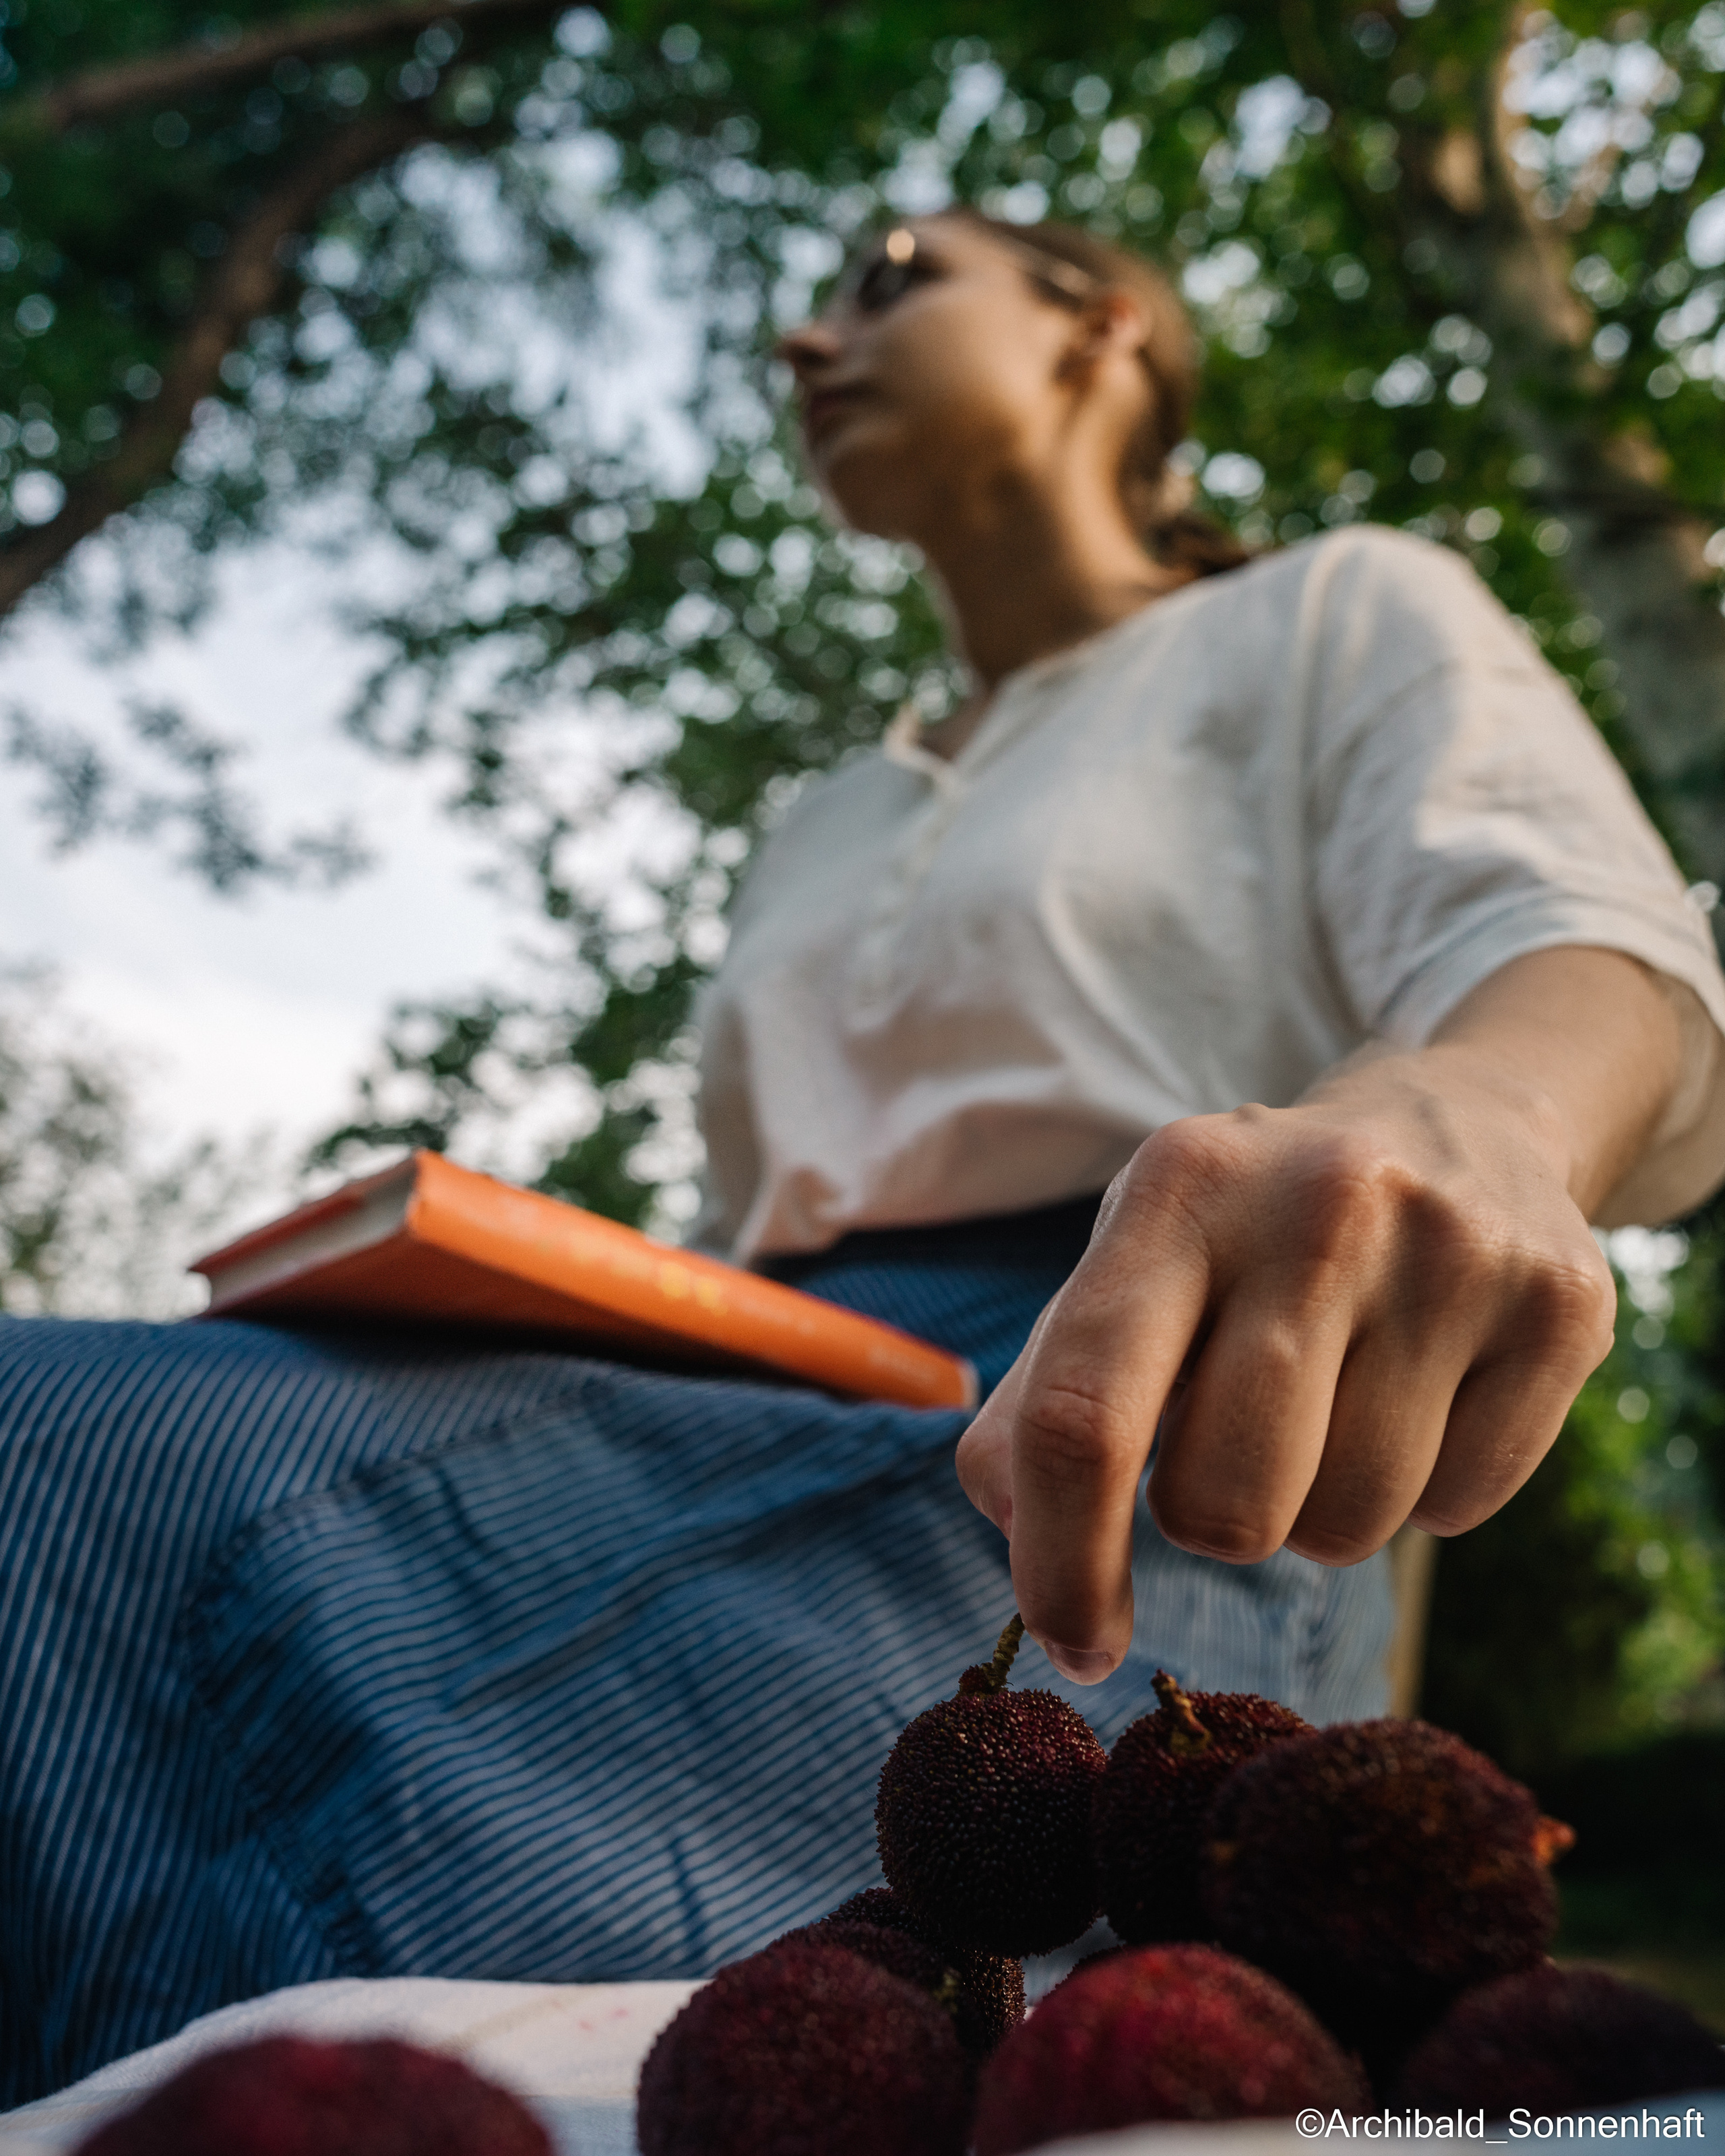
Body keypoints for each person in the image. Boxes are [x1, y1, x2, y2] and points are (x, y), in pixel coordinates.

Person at [1, 208, 1721, 2109]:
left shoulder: (1335, 611)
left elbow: (1591, 959)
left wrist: (1477, 1105)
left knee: (64, 1459)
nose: (806, 346)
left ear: (1108, 336)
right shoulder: (822, 817)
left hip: (1091, 1464)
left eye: (894, 273)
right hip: (720, 1400)